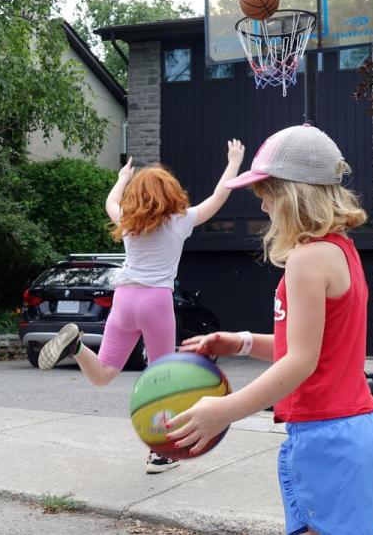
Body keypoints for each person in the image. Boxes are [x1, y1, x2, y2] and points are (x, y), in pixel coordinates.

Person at [166, 125, 373, 535]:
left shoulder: (307, 259)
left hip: (328, 438)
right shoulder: (341, 251)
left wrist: (225, 410)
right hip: (356, 430)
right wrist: (241, 342)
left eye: (267, 195)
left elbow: (301, 362)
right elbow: (312, 348)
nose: (264, 208)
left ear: (294, 194)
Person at [37, 139, 245, 473]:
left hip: (124, 299)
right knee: (162, 380)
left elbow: (110, 202)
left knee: (104, 373)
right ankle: (159, 452)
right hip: (155, 301)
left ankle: (76, 346)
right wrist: (233, 163)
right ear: (172, 192)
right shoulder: (180, 221)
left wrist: (121, 177)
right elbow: (218, 197)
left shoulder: (128, 223)